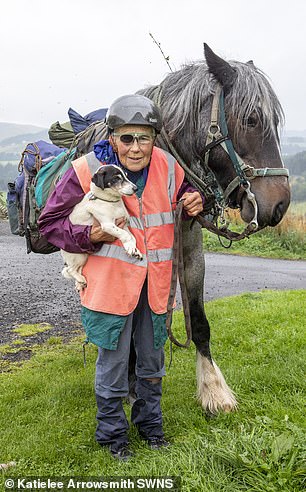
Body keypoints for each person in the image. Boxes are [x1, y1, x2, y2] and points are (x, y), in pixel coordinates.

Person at [39, 94, 203, 461]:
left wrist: (193, 198)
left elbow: (184, 193)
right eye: (126, 138)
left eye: (143, 138)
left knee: (151, 362)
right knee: (112, 367)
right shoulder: (86, 170)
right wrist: (90, 236)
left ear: (154, 138)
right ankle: (112, 435)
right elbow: (49, 224)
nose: (135, 147)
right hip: (111, 289)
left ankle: (151, 427)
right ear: (112, 137)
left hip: (155, 287)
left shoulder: (168, 166)